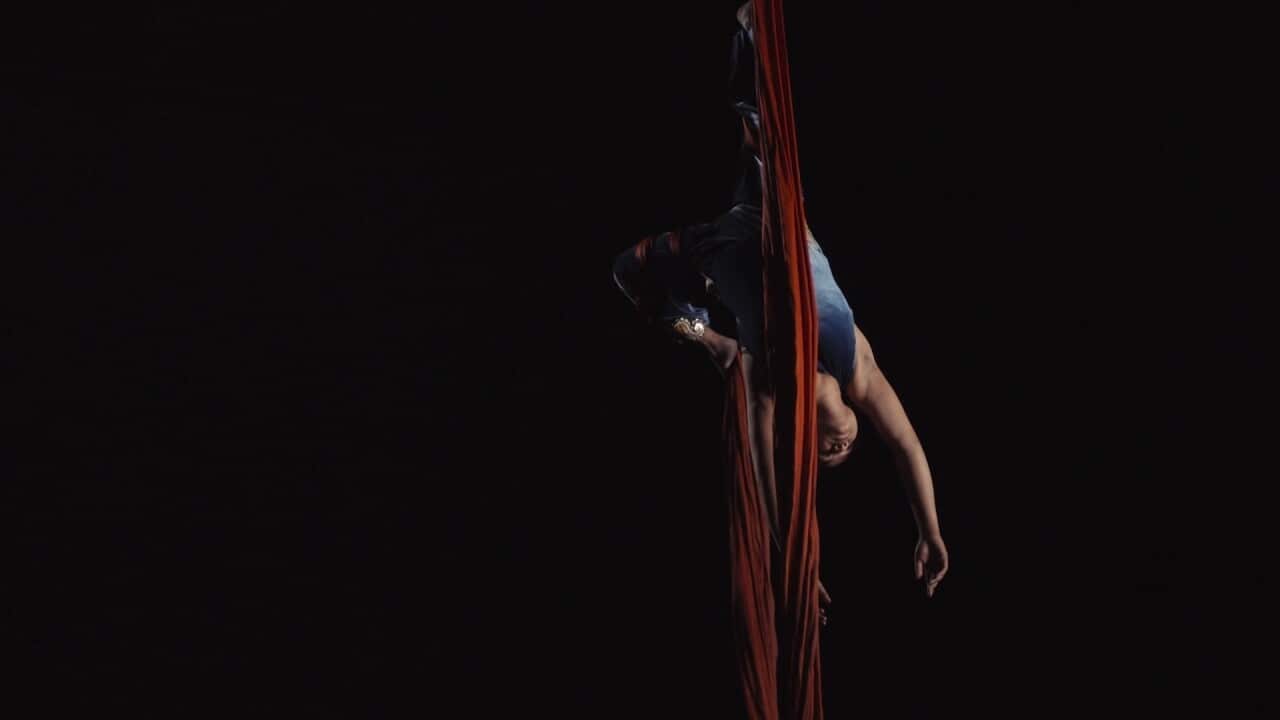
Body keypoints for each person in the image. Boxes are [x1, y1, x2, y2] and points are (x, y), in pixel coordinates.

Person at [612, 2, 948, 602]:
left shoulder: (768, 380)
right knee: (757, 126)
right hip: (773, 214)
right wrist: (929, 530)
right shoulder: (859, 366)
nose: (839, 450)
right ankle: (750, 24)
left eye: (825, 457)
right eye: (847, 451)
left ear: (806, 436)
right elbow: (905, 445)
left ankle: (710, 336)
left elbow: (767, 473)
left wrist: (791, 567)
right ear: (851, 414)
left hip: (712, 250)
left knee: (634, 280)